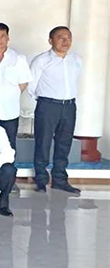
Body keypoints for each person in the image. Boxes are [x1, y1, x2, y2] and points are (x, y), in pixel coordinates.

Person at [28, 26, 82, 194]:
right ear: (50, 40)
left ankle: (60, 179)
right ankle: (41, 180)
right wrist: (46, 101)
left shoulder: (76, 59)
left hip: (69, 106)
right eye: (60, 37)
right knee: (43, 143)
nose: (65, 41)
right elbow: (31, 85)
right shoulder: (41, 60)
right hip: (48, 106)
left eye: (68, 37)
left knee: (64, 144)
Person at [0, 22, 32, 151]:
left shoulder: (18, 59)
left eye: (2, 36)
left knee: (8, 146)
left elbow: (23, 83)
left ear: (8, 38)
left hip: (9, 111)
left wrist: (9, 94)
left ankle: (8, 165)